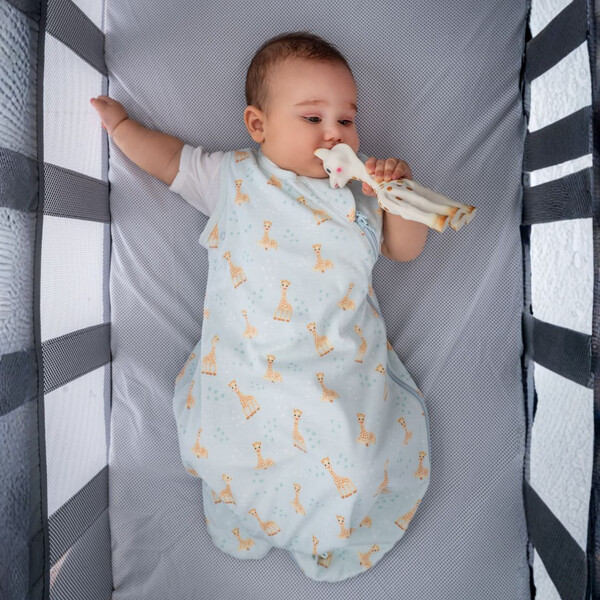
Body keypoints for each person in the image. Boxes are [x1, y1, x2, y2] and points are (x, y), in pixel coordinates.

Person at [91, 31, 431, 582]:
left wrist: (399, 197)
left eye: (346, 120)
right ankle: (247, 506)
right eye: (312, 118)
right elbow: (171, 161)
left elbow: (404, 250)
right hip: (249, 362)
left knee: (355, 454)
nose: (334, 134)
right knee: (229, 442)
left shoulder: (359, 197)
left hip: (335, 366)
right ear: (258, 125)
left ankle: (333, 521)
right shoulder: (234, 179)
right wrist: (123, 128)